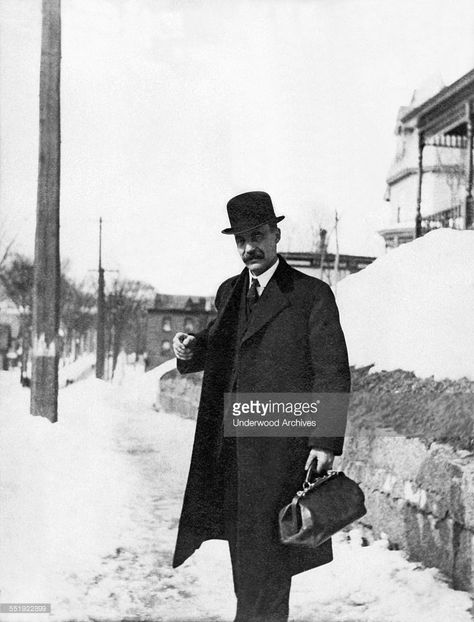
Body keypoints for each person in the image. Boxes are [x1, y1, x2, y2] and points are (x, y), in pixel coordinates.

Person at [172, 191, 351, 622]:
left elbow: (332, 371)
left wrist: (324, 441)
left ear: (276, 235)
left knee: (271, 559)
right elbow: (217, 346)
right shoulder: (231, 292)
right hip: (231, 452)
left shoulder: (311, 295)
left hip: (280, 447)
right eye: (240, 240)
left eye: (257, 236)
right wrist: (188, 348)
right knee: (245, 555)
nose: (248, 247)